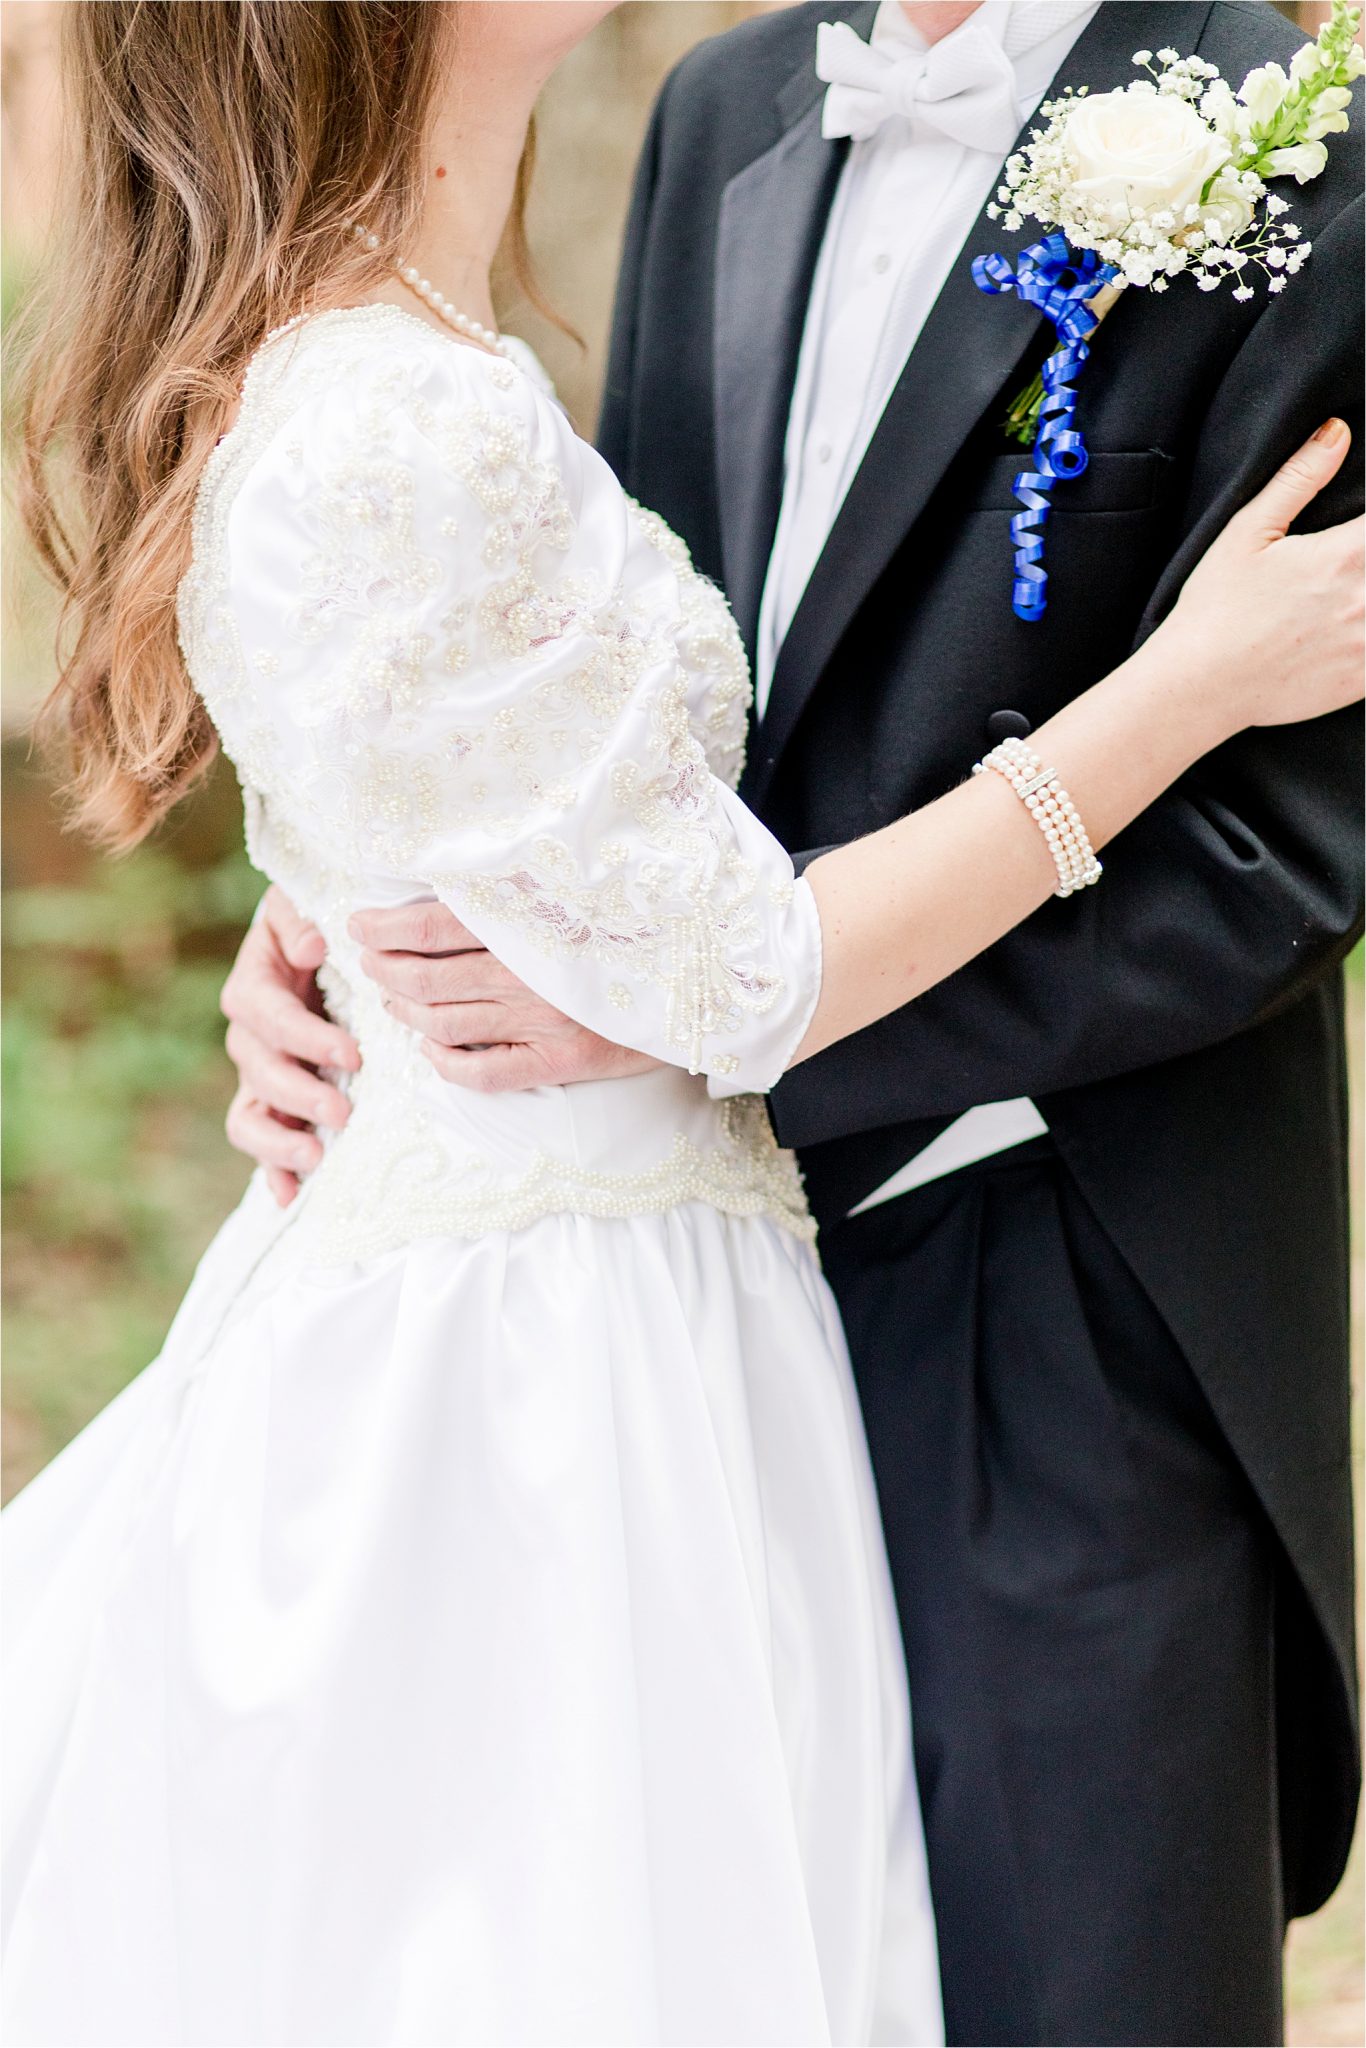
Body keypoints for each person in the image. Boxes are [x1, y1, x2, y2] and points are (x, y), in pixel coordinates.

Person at [7, 2, 1362, 2044]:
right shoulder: (719, 118)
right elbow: (615, 755)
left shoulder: (1295, 146)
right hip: (635, 1340)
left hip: (1063, 1296)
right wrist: (373, 909)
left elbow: (1284, 840)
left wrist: (639, 996)